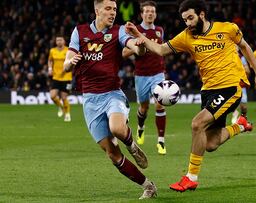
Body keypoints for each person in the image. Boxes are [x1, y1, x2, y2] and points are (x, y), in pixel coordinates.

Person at [125, 0, 256, 192]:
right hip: (208, 90)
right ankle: (240, 125)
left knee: (197, 123)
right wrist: (139, 35)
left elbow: (245, 47)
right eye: (184, 20)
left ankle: (190, 177)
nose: (188, 23)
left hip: (230, 87)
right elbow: (160, 50)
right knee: (211, 143)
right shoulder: (186, 37)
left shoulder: (227, 28)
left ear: (201, 14)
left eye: (190, 18)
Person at [63, 0, 156, 199]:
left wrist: (139, 46)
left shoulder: (118, 31)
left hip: (112, 93)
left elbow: (134, 47)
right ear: (97, 11)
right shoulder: (79, 32)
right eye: (108, 9)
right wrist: (71, 62)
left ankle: (132, 146)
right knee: (112, 154)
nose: (112, 12)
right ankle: (148, 185)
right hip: (89, 100)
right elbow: (65, 65)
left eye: (114, 9)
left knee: (117, 129)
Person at [122, 1, 167, 155]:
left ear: (155, 14)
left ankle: (161, 141)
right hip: (141, 75)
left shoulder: (160, 30)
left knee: (160, 104)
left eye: (152, 11)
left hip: (158, 73)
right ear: (142, 14)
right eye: (147, 11)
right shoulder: (136, 31)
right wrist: (139, 46)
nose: (150, 14)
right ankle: (141, 128)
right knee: (144, 107)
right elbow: (124, 53)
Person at [48, 35, 72, 122]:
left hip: (66, 77)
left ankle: (67, 114)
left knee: (64, 97)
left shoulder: (68, 50)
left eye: (60, 40)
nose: (59, 42)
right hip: (56, 77)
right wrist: (50, 68)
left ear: (64, 41)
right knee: (52, 96)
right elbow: (50, 60)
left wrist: (66, 69)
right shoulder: (52, 51)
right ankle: (61, 107)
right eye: (57, 40)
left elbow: (72, 62)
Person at [231, 55, 251, 124]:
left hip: (241, 84)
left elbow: (247, 70)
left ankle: (244, 118)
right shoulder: (226, 56)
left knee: (244, 106)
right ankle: (235, 113)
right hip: (231, 83)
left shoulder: (241, 58)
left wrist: (245, 75)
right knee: (232, 101)